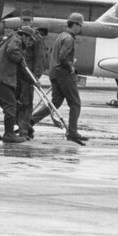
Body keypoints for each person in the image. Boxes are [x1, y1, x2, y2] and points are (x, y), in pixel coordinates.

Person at [30, 13, 87, 142]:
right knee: (75, 103)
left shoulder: (61, 36)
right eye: (80, 25)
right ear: (75, 25)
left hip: (54, 73)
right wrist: (71, 67)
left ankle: (30, 121)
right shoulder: (69, 39)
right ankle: (72, 132)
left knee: (55, 102)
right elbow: (63, 57)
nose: (80, 29)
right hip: (64, 74)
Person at [15, 10, 47, 139]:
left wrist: (35, 77)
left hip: (28, 76)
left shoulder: (36, 38)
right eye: (24, 19)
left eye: (28, 20)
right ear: (20, 20)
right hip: (15, 75)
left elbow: (39, 60)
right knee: (15, 103)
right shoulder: (15, 35)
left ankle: (24, 131)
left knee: (26, 104)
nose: (26, 22)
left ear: (33, 20)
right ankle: (26, 127)